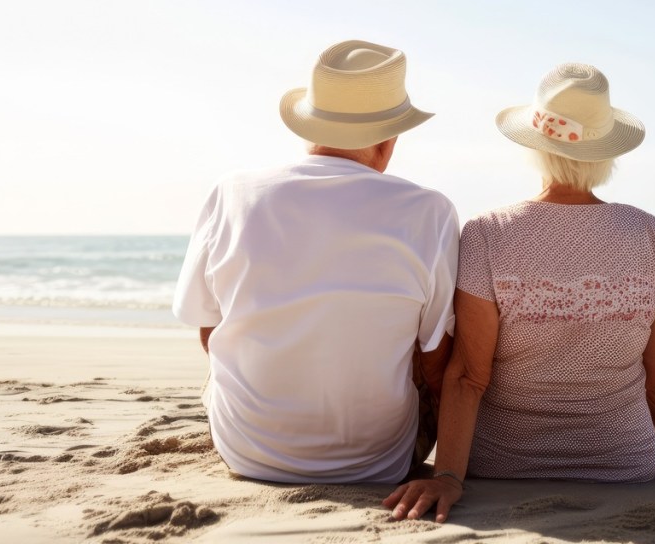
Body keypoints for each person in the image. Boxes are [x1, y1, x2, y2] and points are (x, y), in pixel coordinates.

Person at [385, 63, 655, 522]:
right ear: (605, 154)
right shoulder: (647, 232)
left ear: (535, 147)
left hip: (500, 462)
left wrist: (448, 477)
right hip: (624, 464)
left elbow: (468, 376)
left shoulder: (488, 232)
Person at [173, 40, 459, 484]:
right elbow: (437, 360)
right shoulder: (429, 211)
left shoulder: (233, 193)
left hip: (247, 452)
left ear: (309, 124)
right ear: (388, 140)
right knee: (430, 338)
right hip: (380, 462)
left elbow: (208, 333)